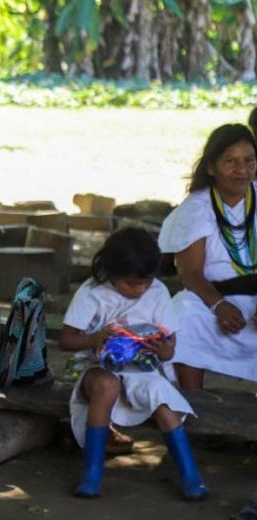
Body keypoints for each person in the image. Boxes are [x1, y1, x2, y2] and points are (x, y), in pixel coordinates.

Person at [59, 227, 208, 501]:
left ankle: (190, 474)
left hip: (144, 371)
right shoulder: (92, 291)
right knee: (107, 384)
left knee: (163, 400)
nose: (140, 290)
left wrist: (163, 350)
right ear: (111, 272)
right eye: (131, 284)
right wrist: (93, 338)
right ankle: (92, 473)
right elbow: (66, 340)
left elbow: (168, 349)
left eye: (146, 282)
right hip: (97, 368)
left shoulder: (158, 292)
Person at [159, 124, 257, 388]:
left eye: (249, 161)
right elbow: (191, 273)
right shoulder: (196, 207)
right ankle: (194, 405)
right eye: (231, 162)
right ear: (211, 167)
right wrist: (219, 305)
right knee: (184, 312)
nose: (242, 170)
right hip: (214, 298)